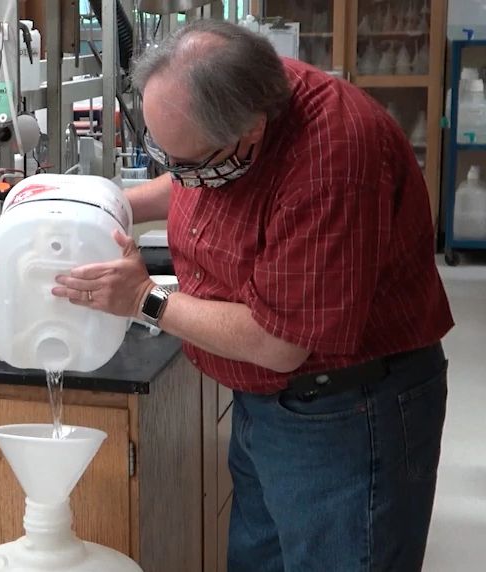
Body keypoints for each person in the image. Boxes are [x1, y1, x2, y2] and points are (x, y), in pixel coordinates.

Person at [51, 19, 454, 572]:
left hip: (349, 412)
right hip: (268, 406)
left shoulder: (330, 161)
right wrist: (107, 205)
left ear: (254, 129)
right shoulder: (237, 90)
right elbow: (193, 175)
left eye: (191, 161)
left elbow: (279, 341)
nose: (182, 174)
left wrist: (145, 297)